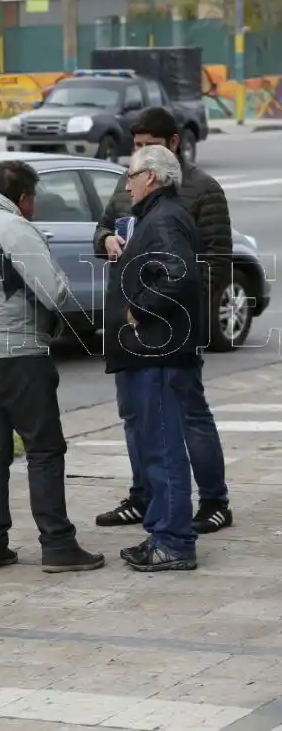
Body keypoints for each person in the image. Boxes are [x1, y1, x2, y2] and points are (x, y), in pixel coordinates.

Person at [0, 160, 105, 572]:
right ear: (23, 198)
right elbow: (56, 292)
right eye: (34, 201)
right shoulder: (15, 229)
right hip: (16, 355)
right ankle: (58, 545)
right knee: (44, 448)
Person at [92, 106, 233, 536]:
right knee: (137, 416)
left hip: (171, 330)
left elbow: (214, 265)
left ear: (173, 144)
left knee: (187, 416)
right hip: (131, 333)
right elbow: (101, 230)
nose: (139, 155)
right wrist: (107, 240)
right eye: (135, 147)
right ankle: (144, 495)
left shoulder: (201, 191)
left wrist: (172, 313)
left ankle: (213, 501)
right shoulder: (128, 183)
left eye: (148, 146)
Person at [104, 144, 203, 572]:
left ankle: (174, 541)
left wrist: (138, 309)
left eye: (131, 174)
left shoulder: (165, 217)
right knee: (155, 445)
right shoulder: (155, 215)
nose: (126, 183)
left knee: (163, 447)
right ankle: (163, 532)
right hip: (147, 351)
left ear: (153, 176)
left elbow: (181, 274)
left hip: (158, 350)